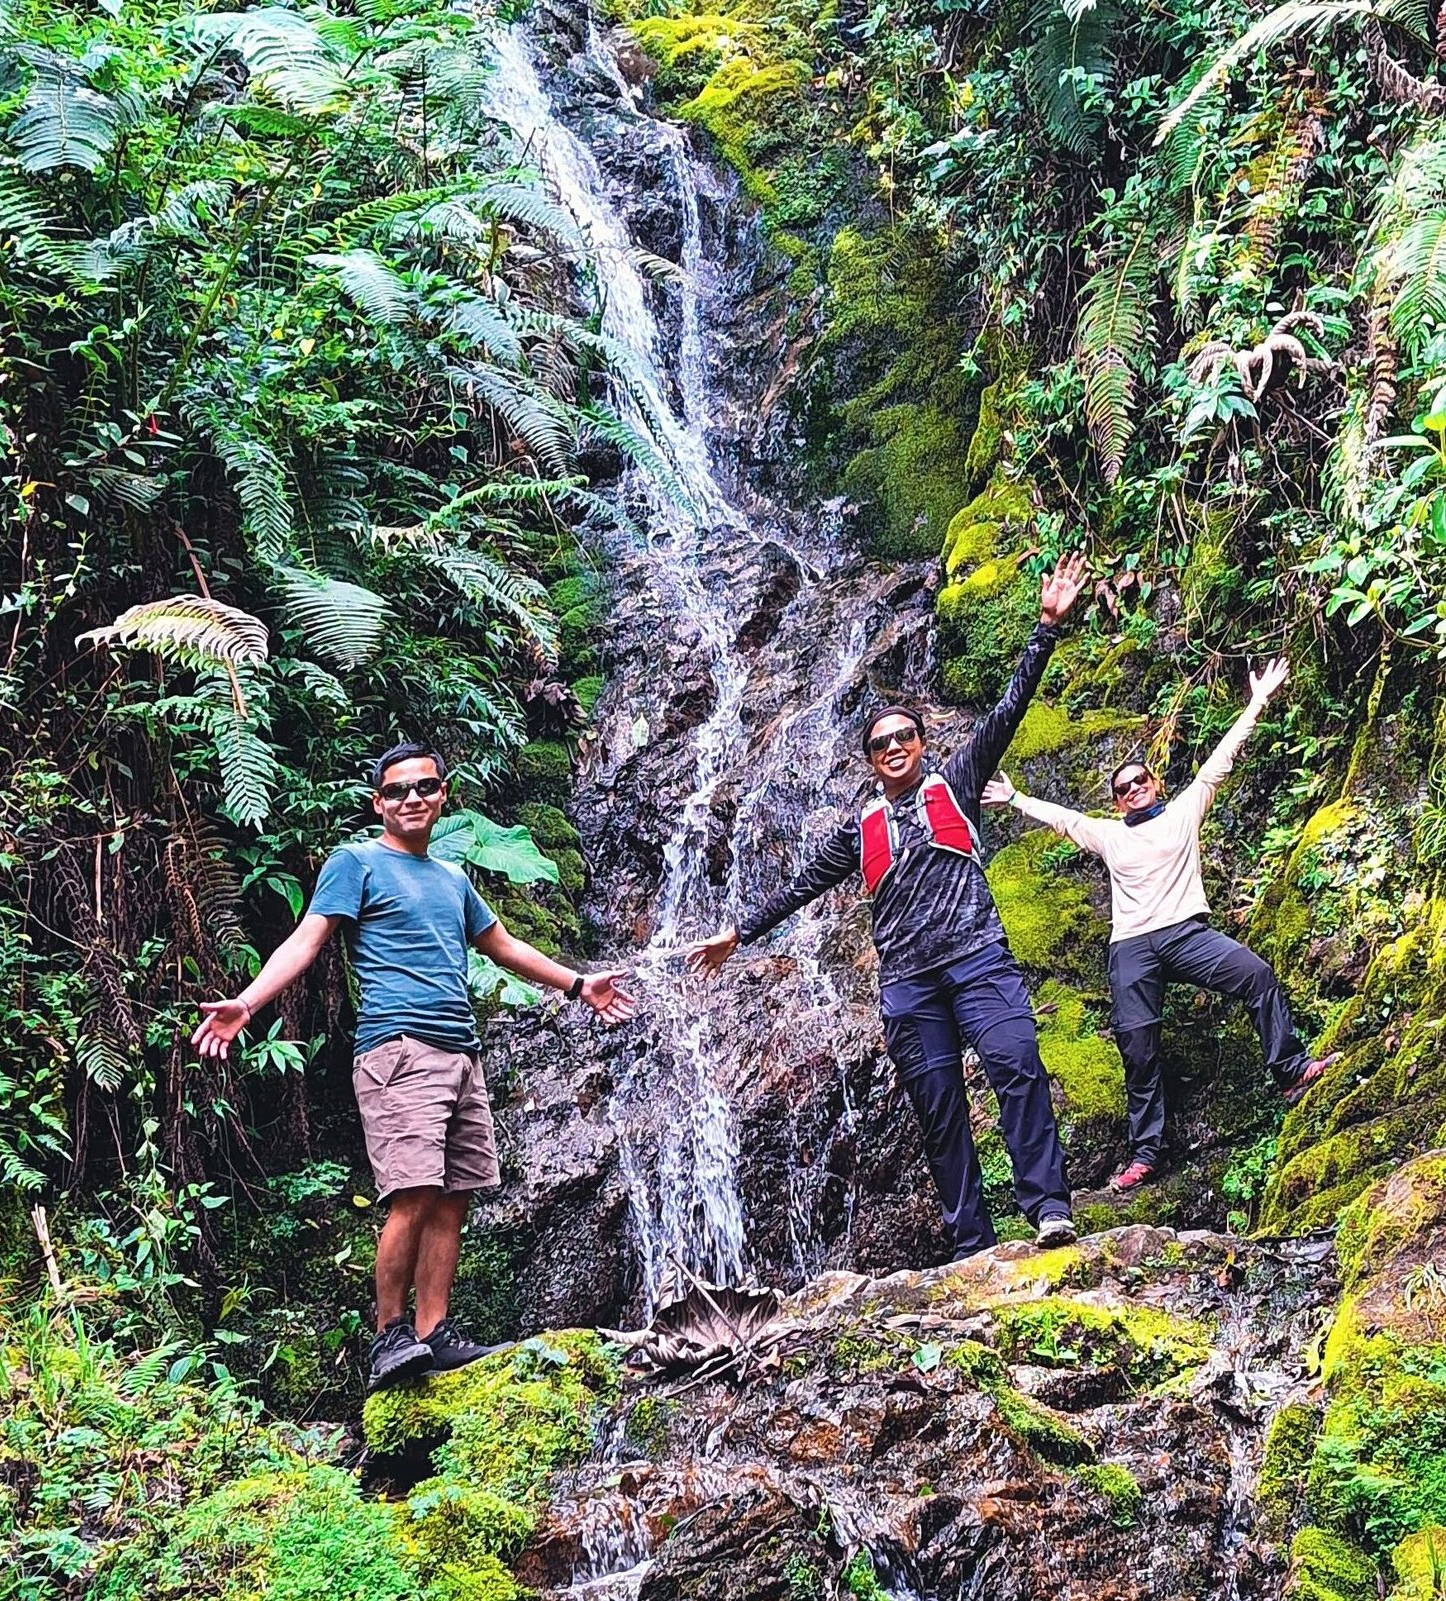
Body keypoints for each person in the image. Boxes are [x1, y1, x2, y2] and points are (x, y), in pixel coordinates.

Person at [687, 554, 1093, 1261]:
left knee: (1017, 1064)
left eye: (906, 736)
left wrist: (1045, 629)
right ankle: (972, 1241)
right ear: (871, 760)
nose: (896, 747)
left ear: (922, 744)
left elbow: (1008, 711)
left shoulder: (956, 782)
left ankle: (1049, 1207)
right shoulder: (860, 828)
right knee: (939, 1112)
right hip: (908, 984)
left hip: (977, 959)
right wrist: (738, 933)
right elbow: (802, 884)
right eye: (882, 743)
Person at [192, 741, 635, 1389]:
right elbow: (307, 941)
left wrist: (578, 984)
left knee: (454, 1196)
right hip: (399, 1050)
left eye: (424, 786)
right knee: (414, 1191)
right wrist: (248, 1002)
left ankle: (434, 1331)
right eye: (397, 790)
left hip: (461, 1052)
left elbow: (504, 946)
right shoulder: (357, 863)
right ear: (378, 803)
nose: (412, 798)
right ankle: (389, 1336)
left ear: (442, 794)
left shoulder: (453, 879)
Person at [982, 656, 1332, 1192]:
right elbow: (1064, 818)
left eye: (1139, 780)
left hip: (1186, 932)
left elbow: (1221, 758)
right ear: (1116, 801)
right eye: (1123, 788)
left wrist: (1258, 701)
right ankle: (1146, 1152)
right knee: (1137, 1045)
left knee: (1258, 975)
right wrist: (1015, 799)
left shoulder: (1185, 810)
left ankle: (1290, 1070)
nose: (1133, 789)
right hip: (1132, 946)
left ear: (1155, 782)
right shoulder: (1109, 834)